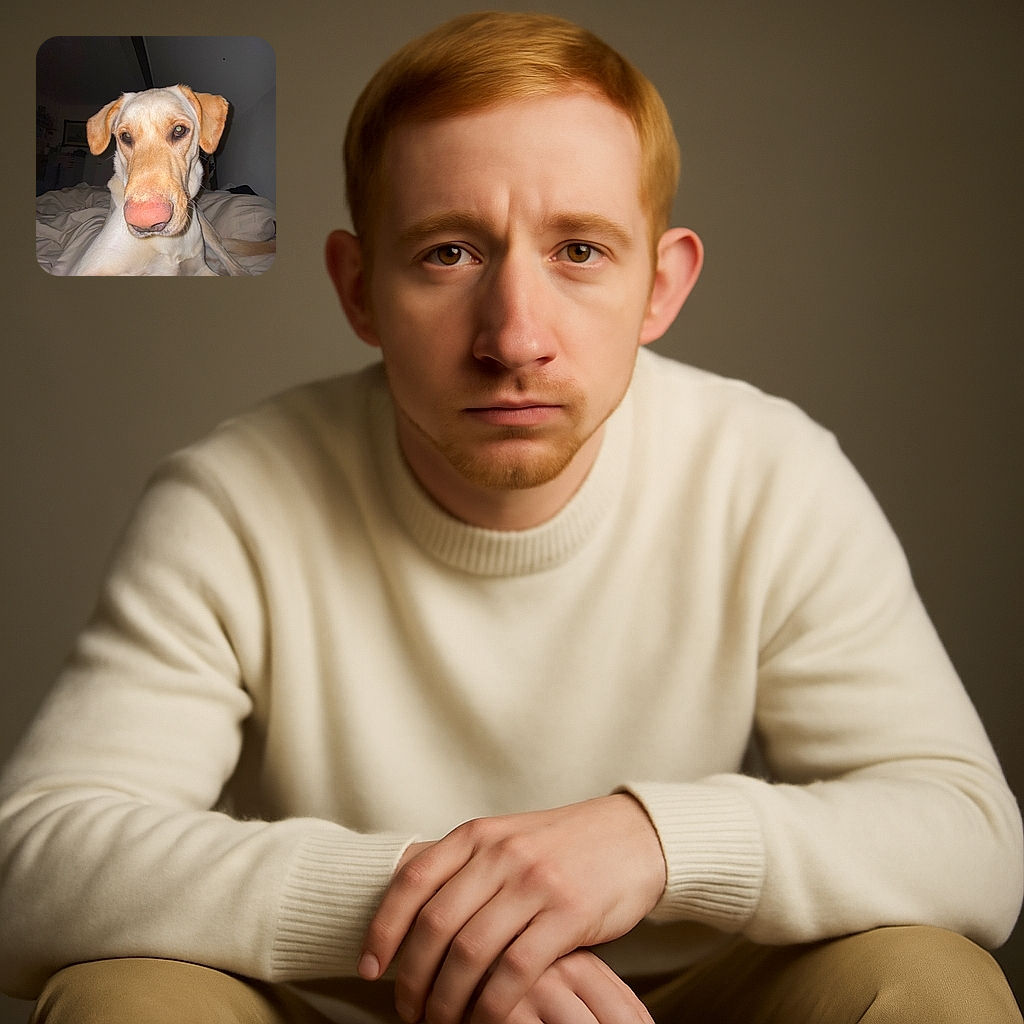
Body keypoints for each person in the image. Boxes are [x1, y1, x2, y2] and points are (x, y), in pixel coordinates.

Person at [1, 11, 1021, 1024]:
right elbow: (33, 865)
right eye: (448, 253)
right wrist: (447, 913)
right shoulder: (234, 499)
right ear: (359, 289)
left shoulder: (768, 472)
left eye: (579, 249)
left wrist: (653, 842)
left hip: (679, 1009)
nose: (515, 336)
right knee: (122, 998)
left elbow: (970, 837)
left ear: (659, 286)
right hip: (368, 1002)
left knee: (930, 984)